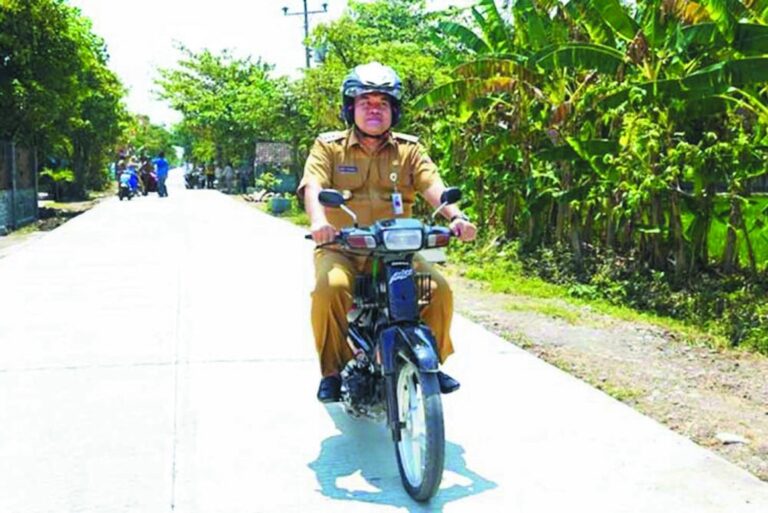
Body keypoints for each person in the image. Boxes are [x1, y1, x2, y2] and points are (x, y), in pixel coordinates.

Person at [298, 62, 477, 403]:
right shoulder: (328, 146)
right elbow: (313, 186)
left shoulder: (409, 149)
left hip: (397, 250)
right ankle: (332, 372)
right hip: (342, 247)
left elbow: (432, 186)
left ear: (394, 110)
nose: (374, 109)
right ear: (350, 108)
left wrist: (456, 217)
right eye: (365, 102)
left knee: (439, 290)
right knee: (329, 289)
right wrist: (319, 222)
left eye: (382, 103)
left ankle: (430, 367)